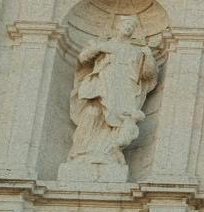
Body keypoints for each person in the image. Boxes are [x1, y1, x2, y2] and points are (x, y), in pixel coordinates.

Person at [66, 15, 158, 169]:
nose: (128, 27)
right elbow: (83, 59)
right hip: (102, 83)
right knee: (92, 112)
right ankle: (82, 152)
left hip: (124, 88)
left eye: (132, 25)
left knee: (119, 120)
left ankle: (108, 153)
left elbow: (147, 75)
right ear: (118, 26)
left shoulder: (137, 51)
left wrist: (149, 56)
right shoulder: (103, 44)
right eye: (126, 24)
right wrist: (97, 48)